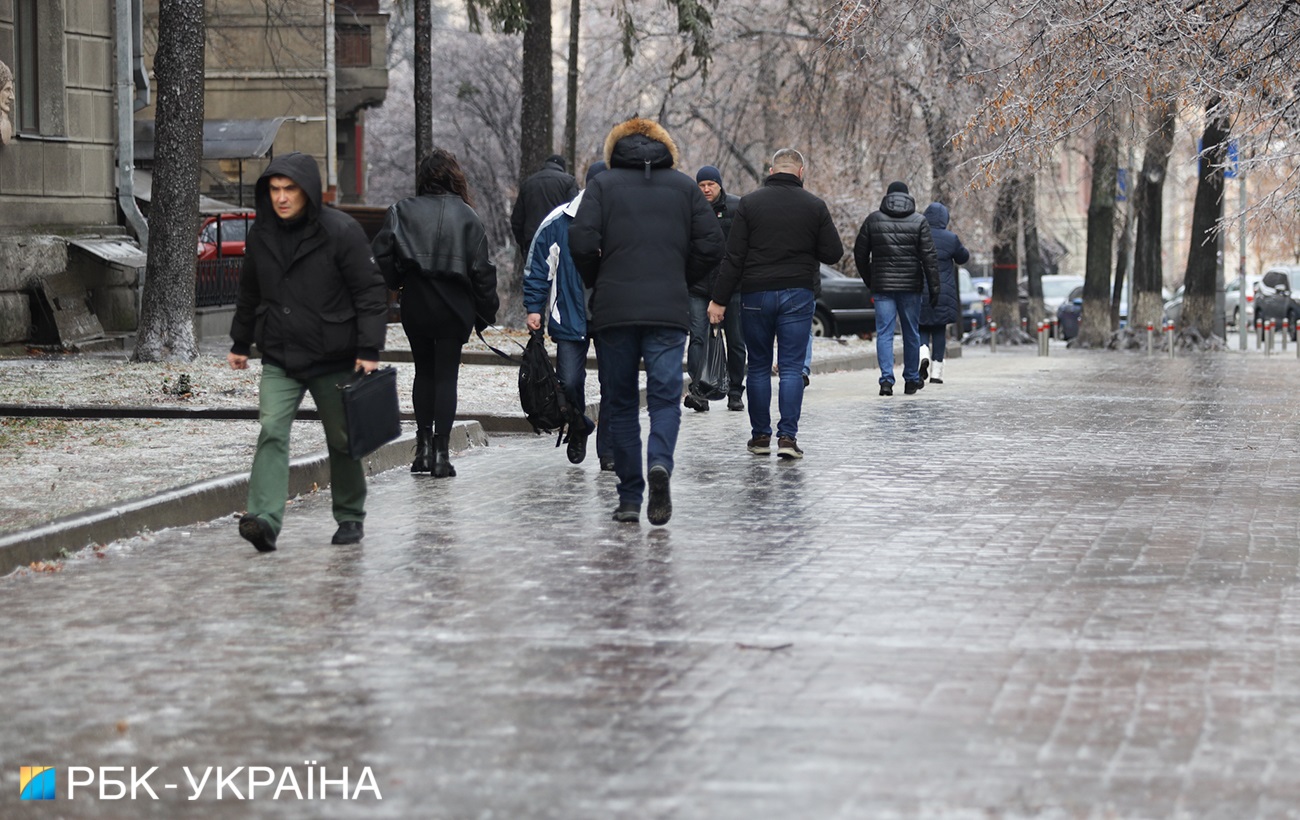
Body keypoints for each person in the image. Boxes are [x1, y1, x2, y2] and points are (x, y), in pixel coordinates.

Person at [228, 152, 388, 552]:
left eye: (290, 189)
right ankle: (264, 519)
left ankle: (350, 515)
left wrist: (369, 347)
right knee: (271, 430)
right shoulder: (261, 233)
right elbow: (249, 291)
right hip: (280, 355)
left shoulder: (340, 231)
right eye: (275, 189)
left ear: (308, 192)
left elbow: (369, 292)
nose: (281, 198)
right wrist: (239, 341)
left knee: (341, 438)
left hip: (333, 354)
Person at [570, 117, 724, 526]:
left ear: (615, 150)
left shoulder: (602, 186)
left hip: (615, 310)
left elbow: (581, 241)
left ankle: (629, 497)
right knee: (663, 399)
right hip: (667, 311)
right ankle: (659, 464)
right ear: (665, 149)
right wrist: (680, 277)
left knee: (619, 403)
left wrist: (598, 279)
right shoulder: (685, 187)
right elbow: (712, 243)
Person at [372, 149, 499, 478]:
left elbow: (381, 252)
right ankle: (442, 454)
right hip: (454, 304)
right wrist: (485, 313)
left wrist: (397, 280)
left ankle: (423, 449)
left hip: (417, 301)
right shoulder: (468, 216)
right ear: (453, 176)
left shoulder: (402, 211)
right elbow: (482, 271)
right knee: (446, 377)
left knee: (423, 373)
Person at [709, 149, 843, 460]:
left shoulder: (750, 204)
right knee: (792, 368)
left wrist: (719, 299)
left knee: (757, 366)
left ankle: (759, 437)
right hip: (798, 293)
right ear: (801, 172)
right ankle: (787, 437)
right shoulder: (814, 206)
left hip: (755, 294)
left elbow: (734, 257)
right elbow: (833, 253)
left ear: (771, 170)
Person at [523, 160, 611, 467]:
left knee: (612, 383)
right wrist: (534, 308)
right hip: (569, 315)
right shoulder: (558, 222)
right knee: (570, 382)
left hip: (611, 316)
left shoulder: (622, 220)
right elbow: (538, 269)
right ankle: (578, 426)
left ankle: (608, 449)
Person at [853, 180, 939, 396]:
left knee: (885, 333)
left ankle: (886, 381)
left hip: (882, 285)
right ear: (908, 198)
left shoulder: (873, 220)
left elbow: (859, 253)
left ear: (887, 197)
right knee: (911, 332)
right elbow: (929, 257)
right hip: (911, 286)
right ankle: (911, 379)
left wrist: (870, 279)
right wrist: (934, 287)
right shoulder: (919, 221)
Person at [685, 165, 746, 413]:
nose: (706, 189)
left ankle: (735, 391)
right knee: (697, 338)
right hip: (698, 286)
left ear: (720, 185)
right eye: (701, 185)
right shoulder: (690, 210)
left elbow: (742, 249)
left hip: (731, 287)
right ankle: (699, 391)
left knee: (735, 340)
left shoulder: (736, 207)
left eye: (711, 184)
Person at [918, 202, 970, 385]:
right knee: (939, 329)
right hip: (943, 292)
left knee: (922, 326)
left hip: (921, 290)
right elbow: (963, 257)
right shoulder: (951, 238)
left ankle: (922, 353)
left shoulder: (919, 235)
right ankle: (936, 373)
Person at [510, 154, 578, 256]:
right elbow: (575, 213)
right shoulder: (569, 182)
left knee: (535, 271)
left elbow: (517, 221)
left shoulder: (528, 184)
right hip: (559, 242)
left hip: (534, 242)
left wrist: (524, 244)